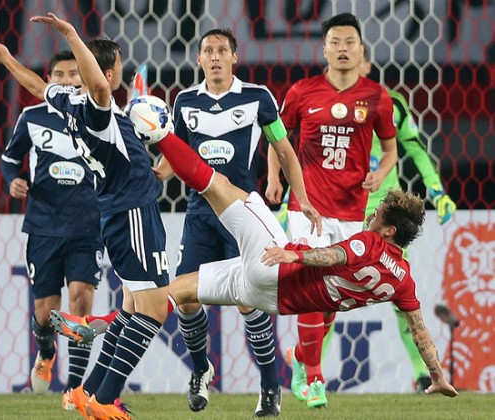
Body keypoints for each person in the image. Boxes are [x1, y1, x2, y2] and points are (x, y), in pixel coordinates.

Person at [54, 130, 459, 404]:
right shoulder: (403, 280)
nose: (370, 219)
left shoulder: (371, 243)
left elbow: (334, 255)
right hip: (273, 298)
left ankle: (158, 132)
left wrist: (295, 254)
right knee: (170, 295)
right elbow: (419, 329)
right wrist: (438, 375)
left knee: (222, 187)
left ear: (388, 229)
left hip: (277, 266)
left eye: (378, 216)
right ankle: (100, 330)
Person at [0, 13, 171, 420]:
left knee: (132, 309)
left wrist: (8, 59)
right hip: (131, 213)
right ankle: (103, 400)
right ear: (111, 73)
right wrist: (72, 34)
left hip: (115, 213)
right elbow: (96, 86)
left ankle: (86, 392)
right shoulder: (97, 107)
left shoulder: (67, 102)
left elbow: (39, 87)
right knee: (153, 310)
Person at [153, 28, 320, 417]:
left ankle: (268, 385)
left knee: (250, 302)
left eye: (221, 50)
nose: (214, 56)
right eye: (207, 50)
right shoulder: (184, 102)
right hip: (198, 214)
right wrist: (157, 173)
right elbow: (176, 155)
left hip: (244, 217)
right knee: (185, 298)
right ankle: (200, 369)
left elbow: (284, 148)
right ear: (198, 59)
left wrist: (305, 199)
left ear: (234, 57)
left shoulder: (258, 97)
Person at [265, 13, 398, 408]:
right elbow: (276, 136)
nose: (342, 48)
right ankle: (315, 380)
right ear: (324, 48)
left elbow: (390, 149)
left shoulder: (377, 97)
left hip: (352, 209)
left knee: (333, 296)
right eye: (335, 42)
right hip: (306, 205)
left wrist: (381, 175)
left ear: (361, 49)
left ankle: (301, 358)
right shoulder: (302, 91)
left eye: (349, 42)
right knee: (313, 286)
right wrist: (274, 177)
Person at [0, 50, 103, 408]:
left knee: (81, 303)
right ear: (49, 79)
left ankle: (75, 388)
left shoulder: (96, 116)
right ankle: (46, 351)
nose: (66, 81)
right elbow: (10, 159)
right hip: (44, 226)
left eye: (74, 74)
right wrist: (12, 180)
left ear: (84, 77)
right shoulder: (31, 117)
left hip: (88, 225)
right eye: (58, 75)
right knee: (45, 314)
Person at [350, 46, 456, 392]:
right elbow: (311, 160)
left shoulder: (389, 102)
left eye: (355, 51)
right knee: (326, 295)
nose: (349, 59)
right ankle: (310, 376)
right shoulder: (325, 103)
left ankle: (421, 372)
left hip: (384, 210)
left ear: (366, 60)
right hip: (341, 206)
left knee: (399, 292)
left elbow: (415, 149)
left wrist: (437, 191)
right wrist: (292, 203)